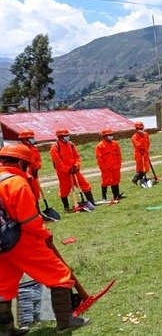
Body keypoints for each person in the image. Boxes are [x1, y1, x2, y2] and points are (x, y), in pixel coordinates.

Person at [0, 144, 89, 334]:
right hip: (21, 241)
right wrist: (45, 234)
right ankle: (65, 323)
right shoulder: (16, 183)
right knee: (60, 276)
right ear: (21, 163)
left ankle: (5, 330)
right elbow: (29, 221)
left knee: (3, 286)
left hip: (1, 245)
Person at [50, 128, 95, 211]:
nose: (67, 137)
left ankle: (91, 202)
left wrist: (76, 166)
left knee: (84, 184)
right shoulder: (55, 146)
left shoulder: (71, 144)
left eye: (67, 135)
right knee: (64, 189)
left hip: (74, 170)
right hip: (63, 173)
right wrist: (67, 169)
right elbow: (57, 162)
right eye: (65, 136)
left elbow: (77, 157)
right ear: (60, 137)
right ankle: (66, 207)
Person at [95, 128, 123, 202]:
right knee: (105, 181)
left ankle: (116, 195)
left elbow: (119, 155)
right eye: (109, 135)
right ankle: (104, 197)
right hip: (106, 168)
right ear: (104, 136)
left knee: (116, 180)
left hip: (116, 166)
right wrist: (104, 167)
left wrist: (118, 164)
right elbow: (99, 159)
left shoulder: (115, 144)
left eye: (111, 135)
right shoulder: (100, 146)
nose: (111, 136)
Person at [17, 130, 41, 201]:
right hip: (24, 175)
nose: (33, 139)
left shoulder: (34, 148)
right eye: (31, 138)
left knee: (36, 192)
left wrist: (36, 167)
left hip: (34, 174)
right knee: (28, 193)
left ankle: (38, 210)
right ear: (25, 139)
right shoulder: (20, 149)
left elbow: (38, 159)